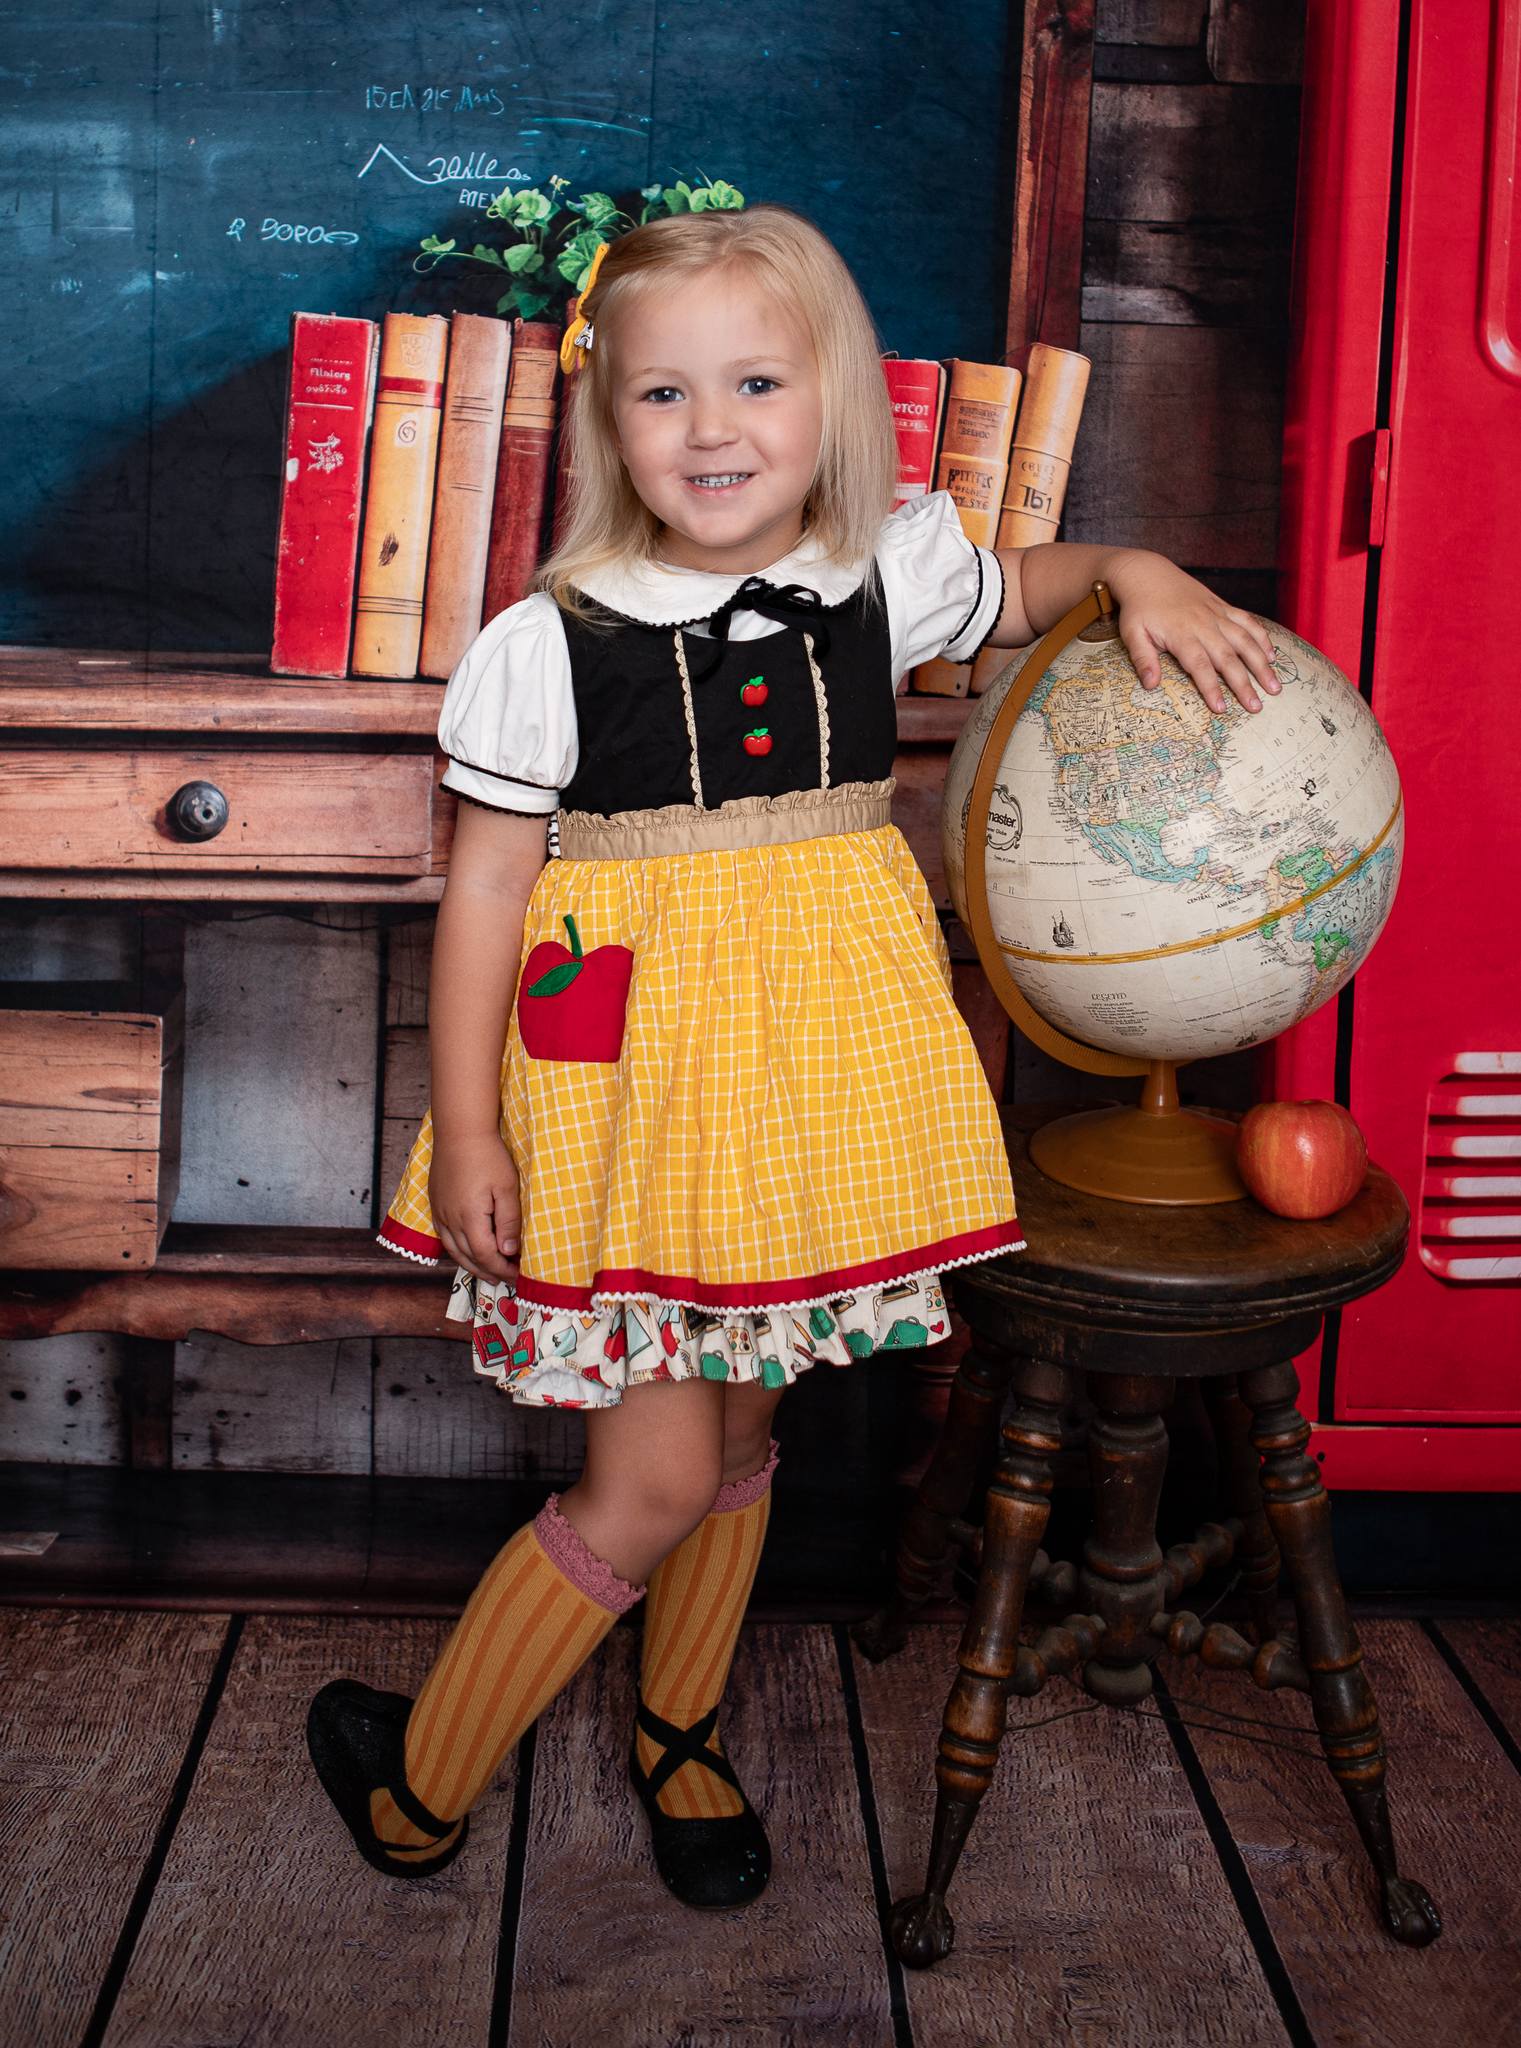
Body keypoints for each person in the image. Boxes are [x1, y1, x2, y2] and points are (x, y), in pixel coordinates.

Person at [306, 204, 1281, 1908]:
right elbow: (480, 901)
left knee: (745, 1436)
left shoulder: (880, 572)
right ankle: (420, 1784)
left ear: (831, 398)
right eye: (663, 393)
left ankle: (676, 1732)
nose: (711, 429)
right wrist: (467, 1128)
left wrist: (1133, 567)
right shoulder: (552, 640)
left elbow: (1026, 581)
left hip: (806, 1093)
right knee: (659, 1468)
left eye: (754, 382)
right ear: (606, 419)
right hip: (634, 1097)